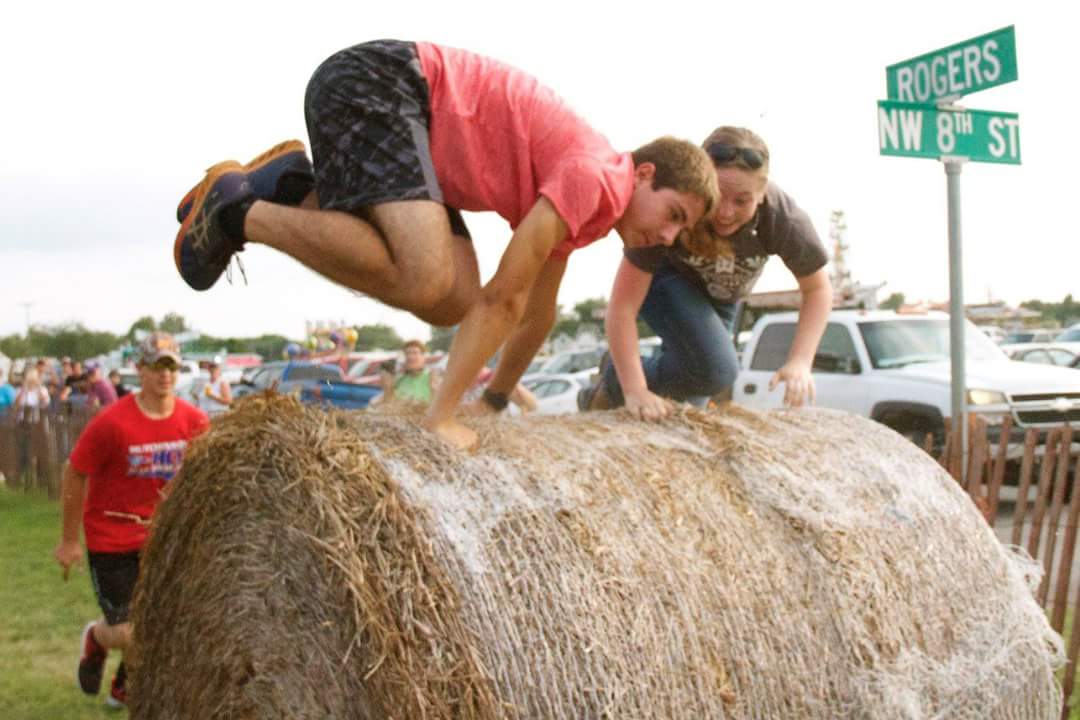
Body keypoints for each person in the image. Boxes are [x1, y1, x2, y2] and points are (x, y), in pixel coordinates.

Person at [174, 40, 717, 448]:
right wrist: (443, 416)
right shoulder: (597, 177)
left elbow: (534, 310)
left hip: (412, 139)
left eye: (679, 232)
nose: (666, 237)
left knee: (453, 299)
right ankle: (238, 210)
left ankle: (292, 187)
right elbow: (505, 299)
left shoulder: (593, 204)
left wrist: (495, 399)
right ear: (644, 173)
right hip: (383, 83)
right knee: (426, 276)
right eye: (674, 215)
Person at [590, 126, 833, 420]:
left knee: (690, 405)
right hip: (666, 282)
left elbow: (818, 289)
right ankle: (615, 379)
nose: (726, 213)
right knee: (718, 371)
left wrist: (800, 361)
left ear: (761, 194)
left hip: (723, 299)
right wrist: (634, 388)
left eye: (742, 201)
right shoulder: (674, 211)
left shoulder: (782, 219)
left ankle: (616, 390)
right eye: (718, 197)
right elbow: (622, 307)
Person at [53, 332, 209, 708]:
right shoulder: (112, 423)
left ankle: (124, 685)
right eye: (156, 367)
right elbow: (75, 472)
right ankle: (97, 638)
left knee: (162, 622)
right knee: (127, 630)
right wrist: (70, 540)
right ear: (139, 369)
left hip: (164, 538)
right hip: (112, 538)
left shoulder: (195, 421)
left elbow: (207, 475)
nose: (165, 375)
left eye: (171, 367)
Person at [379, 340, 439, 405]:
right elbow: (388, 404)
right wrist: (387, 389)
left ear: (423, 357)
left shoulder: (432, 379)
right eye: (407, 353)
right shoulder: (398, 380)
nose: (410, 357)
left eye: (415, 353)